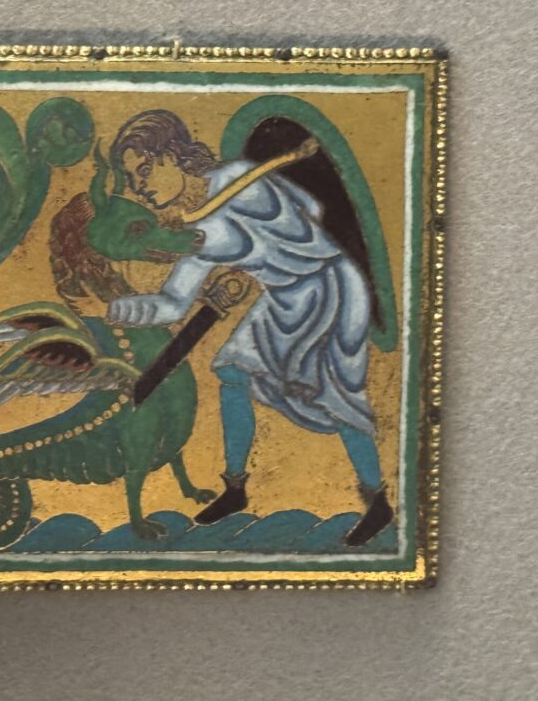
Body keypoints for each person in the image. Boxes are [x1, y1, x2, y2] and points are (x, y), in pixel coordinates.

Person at [106, 110, 393, 545]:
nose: (139, 186)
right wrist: (127, 309)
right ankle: (235, 488)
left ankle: (377, 501)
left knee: (338, 397)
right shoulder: (195, 226)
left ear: (173, 155)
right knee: (232, 371)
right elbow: (172, 304)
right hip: (283, 297)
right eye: (132, 179)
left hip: (328, 287)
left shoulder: (239, 181)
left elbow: (307, 213)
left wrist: (223, 249)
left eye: (144, 170)